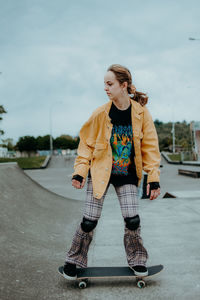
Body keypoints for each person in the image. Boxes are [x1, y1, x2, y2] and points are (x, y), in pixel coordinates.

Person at [63, 64, 161, 279]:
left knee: (132, 220)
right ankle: (74, 260)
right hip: (100, 173)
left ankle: (137, 261)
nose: (105, 88)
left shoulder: (141, 114)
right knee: (89, 221)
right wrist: (80, 171)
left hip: (126, 174)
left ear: (123, 85)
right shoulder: (100, 113)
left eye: (110, 84)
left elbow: (150, 148)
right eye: (104, 84)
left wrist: (153, 179)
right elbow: (86, 144)